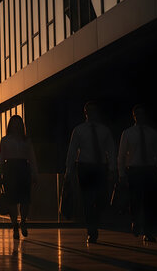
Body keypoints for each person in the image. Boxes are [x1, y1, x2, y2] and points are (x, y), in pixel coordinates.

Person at [66, 101, 116, 243]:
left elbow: (111, 149)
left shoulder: (104, 130)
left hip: (100, 166)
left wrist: (112, 168)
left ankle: (94, 222)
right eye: (90, 111)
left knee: (101, 198)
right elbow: (72, 150)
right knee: (87, 199)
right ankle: (91, 230)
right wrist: (68, 170)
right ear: (85, 113)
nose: (92, 114)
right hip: (85, 166)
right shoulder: (79, 130)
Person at [118, 104, 157, 242]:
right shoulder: (128, 133)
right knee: (135, 199)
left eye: (142, 114)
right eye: (137, 114)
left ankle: (147, 230)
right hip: (134, 169)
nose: (140, 116)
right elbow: (121, 155)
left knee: (149, 202)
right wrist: (122, 173)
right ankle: (136, 221)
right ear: (134, 116)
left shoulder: (152, 133)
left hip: (149, 169)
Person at [0, 115, 38, 239]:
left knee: (25, 199)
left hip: (23, 169)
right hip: (10, 169)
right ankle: (15, 224)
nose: (16, 125)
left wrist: (34, 173)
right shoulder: (5, 140)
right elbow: (1, 159)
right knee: (12, 199)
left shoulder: (26, 140)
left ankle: (23, 221)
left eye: (18, 123)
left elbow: (32, 158)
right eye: (14, 123)